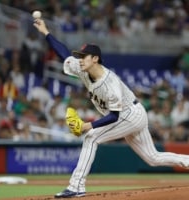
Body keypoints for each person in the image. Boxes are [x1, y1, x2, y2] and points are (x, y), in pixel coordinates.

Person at [33, 18, 189, 199]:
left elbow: (114, 117)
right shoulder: (83, 68)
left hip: (129, 115)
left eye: (84, 56)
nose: (80, 60)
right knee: (153, 158)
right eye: (80, 56)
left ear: (95, 59)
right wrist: (46, 32)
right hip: (129, 114)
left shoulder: (110, 84)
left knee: (91, 138)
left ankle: (76, 186)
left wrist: (87, 126)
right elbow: (63, 54)